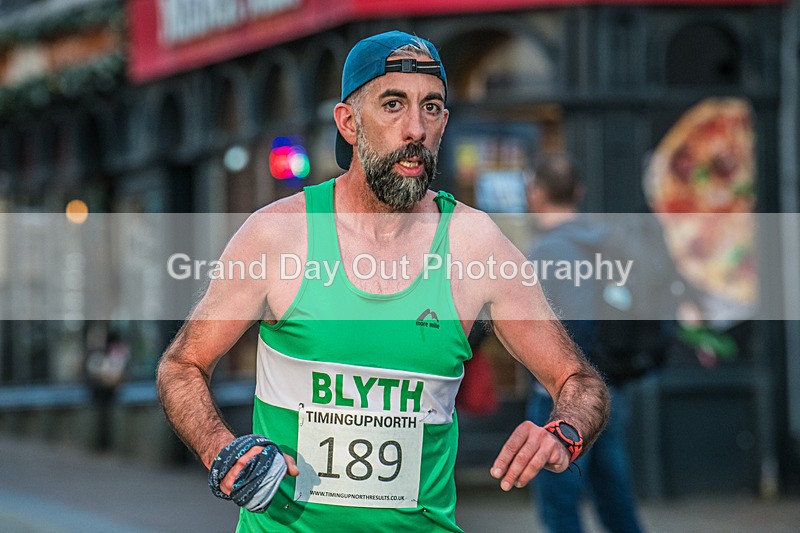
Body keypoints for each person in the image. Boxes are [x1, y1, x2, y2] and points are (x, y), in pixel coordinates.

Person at [156, 30, 609, 532]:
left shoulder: (474, 245)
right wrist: (221, 450)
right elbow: (182, 365)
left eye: (431, 107)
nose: (415, 127)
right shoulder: (279, 235)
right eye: (393, 104)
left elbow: (580, 382)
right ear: (349, 122)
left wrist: (565, 432)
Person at [524, 153, 644, 533]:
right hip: (608, 392)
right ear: (579, 192)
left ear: (535, 195)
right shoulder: (608, 243)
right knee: (617, 505)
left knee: (560, 510)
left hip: (557, 398)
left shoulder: (542, 253)